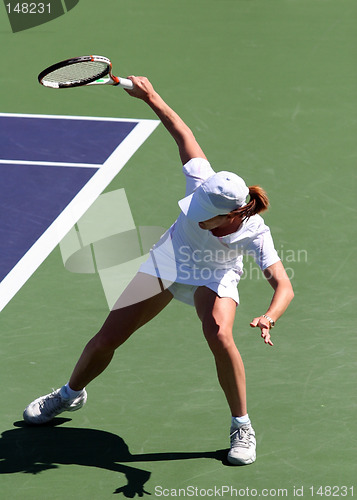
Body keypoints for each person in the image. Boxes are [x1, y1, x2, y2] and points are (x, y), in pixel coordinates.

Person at [23, 76, 294, 466]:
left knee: (220, 335)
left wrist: (270, 315)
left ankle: (241, 424)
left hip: (213, 275)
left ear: (233, 214)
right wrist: (150, 95)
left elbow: (283, 285)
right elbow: (180, 130)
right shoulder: (202, 182)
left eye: (207, 218)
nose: (198, 218)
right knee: (105, 340)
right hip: (168, 261)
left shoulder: (255, 233)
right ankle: (70, 394)